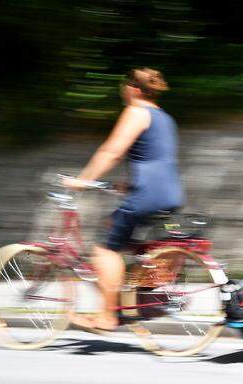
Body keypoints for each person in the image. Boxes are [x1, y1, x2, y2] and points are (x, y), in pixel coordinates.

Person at [64, 68, 183, 331]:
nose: (123, 91)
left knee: (105, 248)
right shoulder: (165, 118)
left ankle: (107, 316)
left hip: (147, 195)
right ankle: (135, 299)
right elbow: (155, 158)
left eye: (125, 87)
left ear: (134, 89)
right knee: (127, 242)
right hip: (170, 193)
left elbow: (112, 152)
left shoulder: (136, 112)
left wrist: (82, 181)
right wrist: (128, 185)